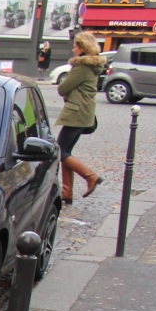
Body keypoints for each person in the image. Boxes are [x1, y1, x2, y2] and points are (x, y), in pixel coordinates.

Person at [55, 31, 104, 204]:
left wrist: (68, 89)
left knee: (60, 151)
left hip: (77, 112)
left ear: (82, 48)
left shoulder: (82, 66)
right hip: (84, 112)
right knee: (66, 151)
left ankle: (90, 176)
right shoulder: (92, 66)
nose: (73, 48)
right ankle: (66, 193)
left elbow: (63, 88)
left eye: (75, 46)